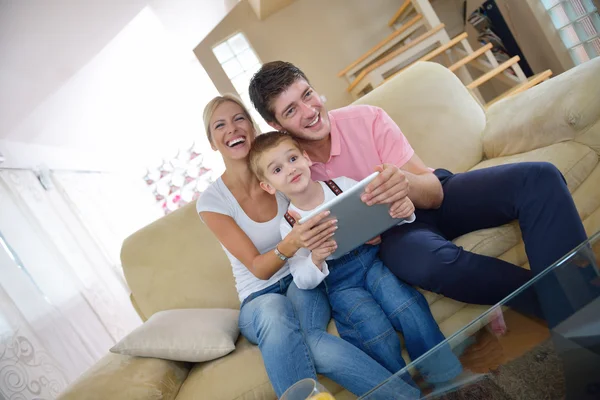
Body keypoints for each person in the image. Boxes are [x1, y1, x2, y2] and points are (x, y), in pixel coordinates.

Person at [248, 61, 589, 327]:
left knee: (539, 177)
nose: (309, 111)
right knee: (433, 263)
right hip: (394, 235)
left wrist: (405, 184)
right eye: (291, 110)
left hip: (430, 195)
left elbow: (434, 193)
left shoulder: (366, 119)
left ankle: (582, 316)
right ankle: (582, 318)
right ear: (277, 126)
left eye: (307, 95)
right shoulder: (290, 171)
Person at [196, 94, 416, 398]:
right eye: (219, 125)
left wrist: (364, 229)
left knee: (311, 342)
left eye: (239, 118)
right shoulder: (213, 201)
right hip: (259, 296)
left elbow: (329, 208)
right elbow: (258, 269)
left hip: (302, 277)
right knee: (274, 308)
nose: (232, 128)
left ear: (252, 126)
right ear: (212, 142)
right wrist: (292, 242)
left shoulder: (284, 172)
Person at [246, 130, 464, 386]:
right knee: (373, 331)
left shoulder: (343, 186)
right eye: (277, 169)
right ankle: (401, 390)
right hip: (340, 285)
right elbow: (303, 280)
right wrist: (315, 258)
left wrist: (404, 212)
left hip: (372, 264)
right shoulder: (289, 226)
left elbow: (385, 217)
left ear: (306, 158)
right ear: (268, 186)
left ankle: (446, 375)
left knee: (407, 307)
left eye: (293, 159)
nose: (290, 169)